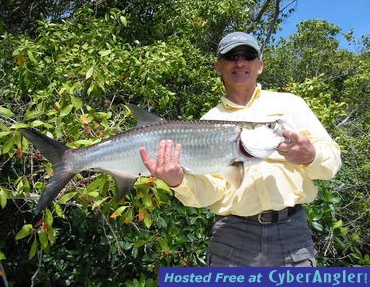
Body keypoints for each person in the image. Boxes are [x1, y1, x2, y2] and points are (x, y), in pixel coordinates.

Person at [139, 32, 341, 267]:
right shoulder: (207, 121)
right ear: (218, 66)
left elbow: (332, 164)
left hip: (292, 235)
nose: (240, 62)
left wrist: (311, 156)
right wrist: (178, 182)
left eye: (248, 55)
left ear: (260, 65)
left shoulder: (290, 104)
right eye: (231, 56)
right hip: (233, 238)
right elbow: (213, 192)